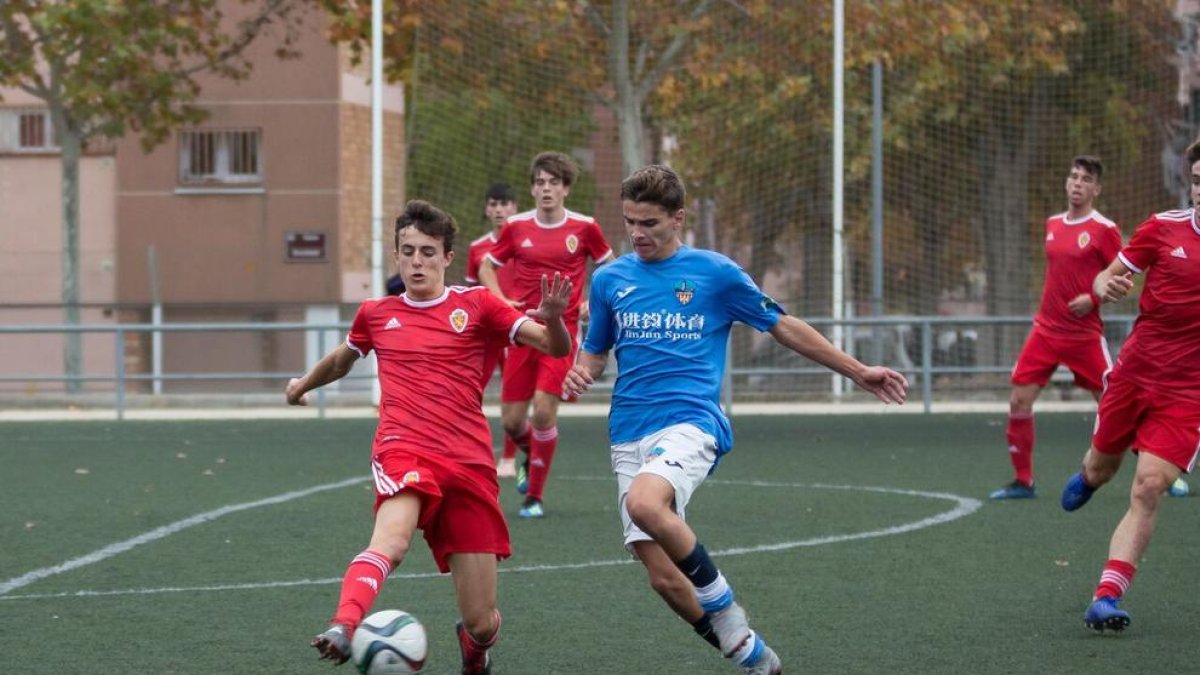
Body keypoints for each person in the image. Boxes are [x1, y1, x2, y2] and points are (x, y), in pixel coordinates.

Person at [562, 165, 909, 674]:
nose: (637, 233)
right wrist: (580, 373)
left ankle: (724, 609)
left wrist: (857, 370)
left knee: (644, 503)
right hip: (627, 433)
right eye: (631, 221)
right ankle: (750, 654)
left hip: (691, 421)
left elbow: (783, 326)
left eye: (651, 223)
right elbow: (594, 353)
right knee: (662, 577)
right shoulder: (610, 279)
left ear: (678, 219)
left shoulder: (715, 273)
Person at [287, 200, 573, 672]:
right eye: (407, 251)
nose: (416, 261)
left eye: (426, 252)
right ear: (396, 256)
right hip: (404, 448)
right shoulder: (376, 313)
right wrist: (301, 385)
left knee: (482, 620)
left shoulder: (479, 305)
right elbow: (344, 358)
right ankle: (344, 624)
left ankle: (474, 646)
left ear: (446, 257)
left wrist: (556, 318)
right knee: (392, 541)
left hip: (468, 462)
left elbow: (552, 346)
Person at [1059, 138, 1200, 633]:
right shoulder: (1163, 228)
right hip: (1135, 376)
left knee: (1149, 487)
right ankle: (1091, 475)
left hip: (1189, 395)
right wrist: (1106, 286)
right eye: (1198, 182)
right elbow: (1104, 278)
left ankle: (1106, 595)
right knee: (1101, 469)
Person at [478, 151, 615, 519]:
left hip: (560, 336)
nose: (546, 189)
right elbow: (486, 266)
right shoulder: (517, 227)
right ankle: (532, 454)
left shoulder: (585, 227)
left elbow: (609, 269)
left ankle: (533, 497)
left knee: (542, 412)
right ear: (533, 189)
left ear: (566, 188)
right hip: (523, 333)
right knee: (510, 421)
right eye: (540, 182)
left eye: (554, 182)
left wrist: (591, 300)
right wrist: (500, 298)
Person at [989, 156, 1123, 500]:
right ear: (1068, 182)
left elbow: (1123, 276)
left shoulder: (1104, 229)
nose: (1077, 183)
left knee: (1116, 404)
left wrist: (1092, 300)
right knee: (1019, 400)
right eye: (1074, 176)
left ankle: (1164, 471)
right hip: (1045, 331)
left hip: (1084, 334)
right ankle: (1023, 482)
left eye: (1085, 179)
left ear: (1096, 189)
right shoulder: (1052, 224)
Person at [465, 182, 521, 477]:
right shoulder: (477, 248)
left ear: (514, 207)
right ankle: (469, 449)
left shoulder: (524, 242)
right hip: (486, 332)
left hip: (517, 331)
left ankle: (510, 459)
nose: (499, 209)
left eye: (505, 204)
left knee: (512, 397)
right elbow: (471, 290)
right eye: (494, 204)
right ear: (487, 209)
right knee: (471, 388)